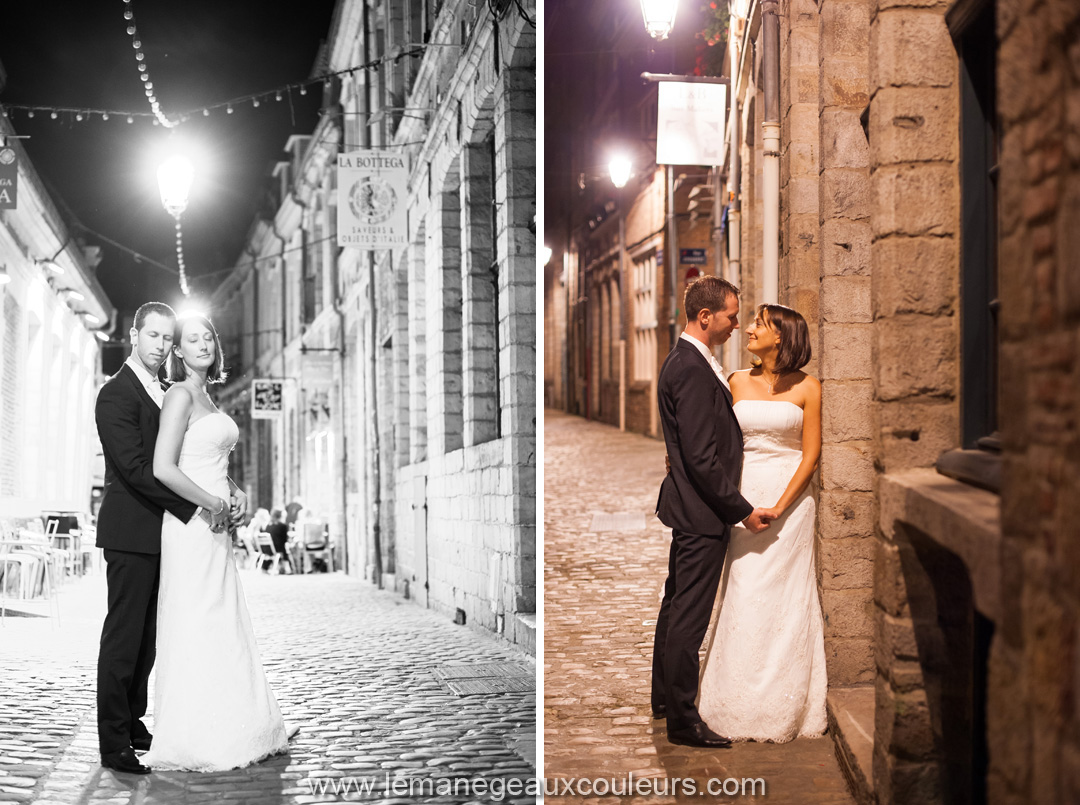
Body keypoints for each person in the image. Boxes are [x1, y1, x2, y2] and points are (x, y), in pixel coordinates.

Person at [143, 312, 289, 771]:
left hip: (217, 526)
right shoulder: (180, 396)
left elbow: (209, 461)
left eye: (208, 336)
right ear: (178, 351)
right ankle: (194, 732)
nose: (203, 343)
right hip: (190, 528)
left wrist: (235, 491)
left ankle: (232, 719)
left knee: (223, 617)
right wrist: (211, 502)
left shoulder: (209, 394)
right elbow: (163, 468)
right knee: (196, 617)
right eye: (192, 339)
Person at [95, 302, 235, 776]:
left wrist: (220, 490)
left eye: (164, 337)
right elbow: (138, 469)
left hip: (164, 533)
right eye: (150, 335)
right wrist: (195, 506)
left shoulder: (164, 389)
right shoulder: (115, 394)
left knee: (149, 640)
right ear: (133, 335)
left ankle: (135, 722)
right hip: (131, 531)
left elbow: (184, 454)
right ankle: (113, 741)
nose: (158, 345)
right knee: (123, 638)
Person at [651, 276, 774, 749]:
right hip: (701, 513)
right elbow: (701, 457)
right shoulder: (690, 368)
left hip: (690, 508)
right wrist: (741, 510)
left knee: (674, 605)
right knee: (689, 615)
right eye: (731, 316)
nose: (736, 324)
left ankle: (664, 700)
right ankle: (683, 720)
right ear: (706, 317)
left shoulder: (691, 361)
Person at [696, 303, 827, 742]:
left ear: (782, 337)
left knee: (787, 599)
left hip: (790, 502)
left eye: (759, 324)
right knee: (745, 590)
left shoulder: (810, 388)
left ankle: (787, 702)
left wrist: (781, 506)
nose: (749, 329)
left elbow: (810, 455)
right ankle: (734, 699)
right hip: (743, 496)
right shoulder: (735, 381)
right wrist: (741, 505)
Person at [265, 509, 293, 573]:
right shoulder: (282, 526)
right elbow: (285, 540)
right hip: (277, 548)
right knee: (287, 549)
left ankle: (281, 567)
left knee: (283, 547)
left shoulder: (268, 526)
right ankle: (288, 568)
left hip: (267, 549)